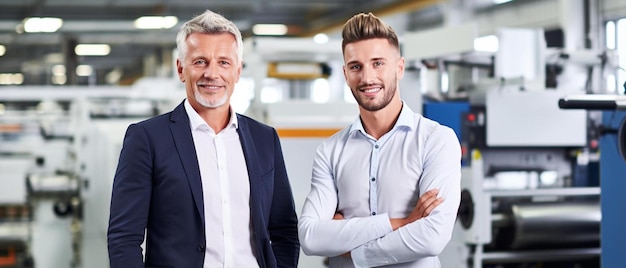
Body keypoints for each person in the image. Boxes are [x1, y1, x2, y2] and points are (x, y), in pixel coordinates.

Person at [107, 10, 299, 268]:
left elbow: (284, 229)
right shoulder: (147, 139)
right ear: (181, 69)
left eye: (224, 62)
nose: (212, 73)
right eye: (200, 62)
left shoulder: (264, 139)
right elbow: (124, 238)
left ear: (238, 72)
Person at [298, 12, 461, 267]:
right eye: (356, 67)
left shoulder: (436, 140)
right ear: (345, 73)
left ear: (399, 67)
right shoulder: (330, 151)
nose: (367, 78)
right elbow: (310, 237)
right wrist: (403, 224)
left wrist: (350, 250)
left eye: (378, 63)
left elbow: (432, 237)